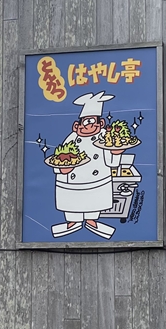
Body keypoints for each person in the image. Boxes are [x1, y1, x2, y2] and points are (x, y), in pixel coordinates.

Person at [49, 92, 122, 240]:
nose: (88, 126)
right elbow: (60, 157)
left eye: (92, 122)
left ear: (100, 123)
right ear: (78, 125)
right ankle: (73, 221)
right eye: (85, 122)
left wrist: (116, 152)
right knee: (72, 204)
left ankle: (91, 219)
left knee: (94, 202)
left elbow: (111, 162)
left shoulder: (104, 137)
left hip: (98, 179)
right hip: (72, 181)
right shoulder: (72, 138)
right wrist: (62, 169)